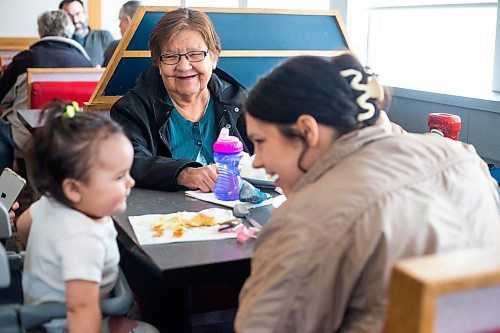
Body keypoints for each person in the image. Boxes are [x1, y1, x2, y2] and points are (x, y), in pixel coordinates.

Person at [235, 54, 500, 332]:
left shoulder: (309, 217)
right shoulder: (464, 159)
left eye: (261, 142)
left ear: (306, 130)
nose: (257, 161)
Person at [16, 101, 158, 333]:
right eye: (120, 176)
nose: (131, 182)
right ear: (74, 189)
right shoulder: (82, 237)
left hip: (40, 318)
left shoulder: (51, 201)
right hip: (64, 326)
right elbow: (81, 310)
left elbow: (23, 226)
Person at [111, 7, 252, 192]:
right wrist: (183, 174)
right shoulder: (132, 109)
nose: (184, 66)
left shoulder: (239, 102)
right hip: (165, 216)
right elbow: (128, 160)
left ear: (214, 57)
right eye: (170, 56)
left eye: (195, 54)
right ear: (158, 64)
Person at [0, 10, 92, 163]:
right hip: (73, 138)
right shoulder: (85, 62)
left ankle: (5, 182)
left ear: (40, 31)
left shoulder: (24, 60)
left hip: (28, 137)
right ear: (69, 31)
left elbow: (2, 99)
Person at [59, 0, 114, 67]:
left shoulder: (104, 37)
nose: (75, 20)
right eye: (69, 16)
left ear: (85, 14)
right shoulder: (59, 43)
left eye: (78, 14)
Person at [102, 1, 141, 67]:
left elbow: (104, 76)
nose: (119, 25)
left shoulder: (115, 47)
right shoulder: (156, 46)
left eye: (120, 19)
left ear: (127, 20)